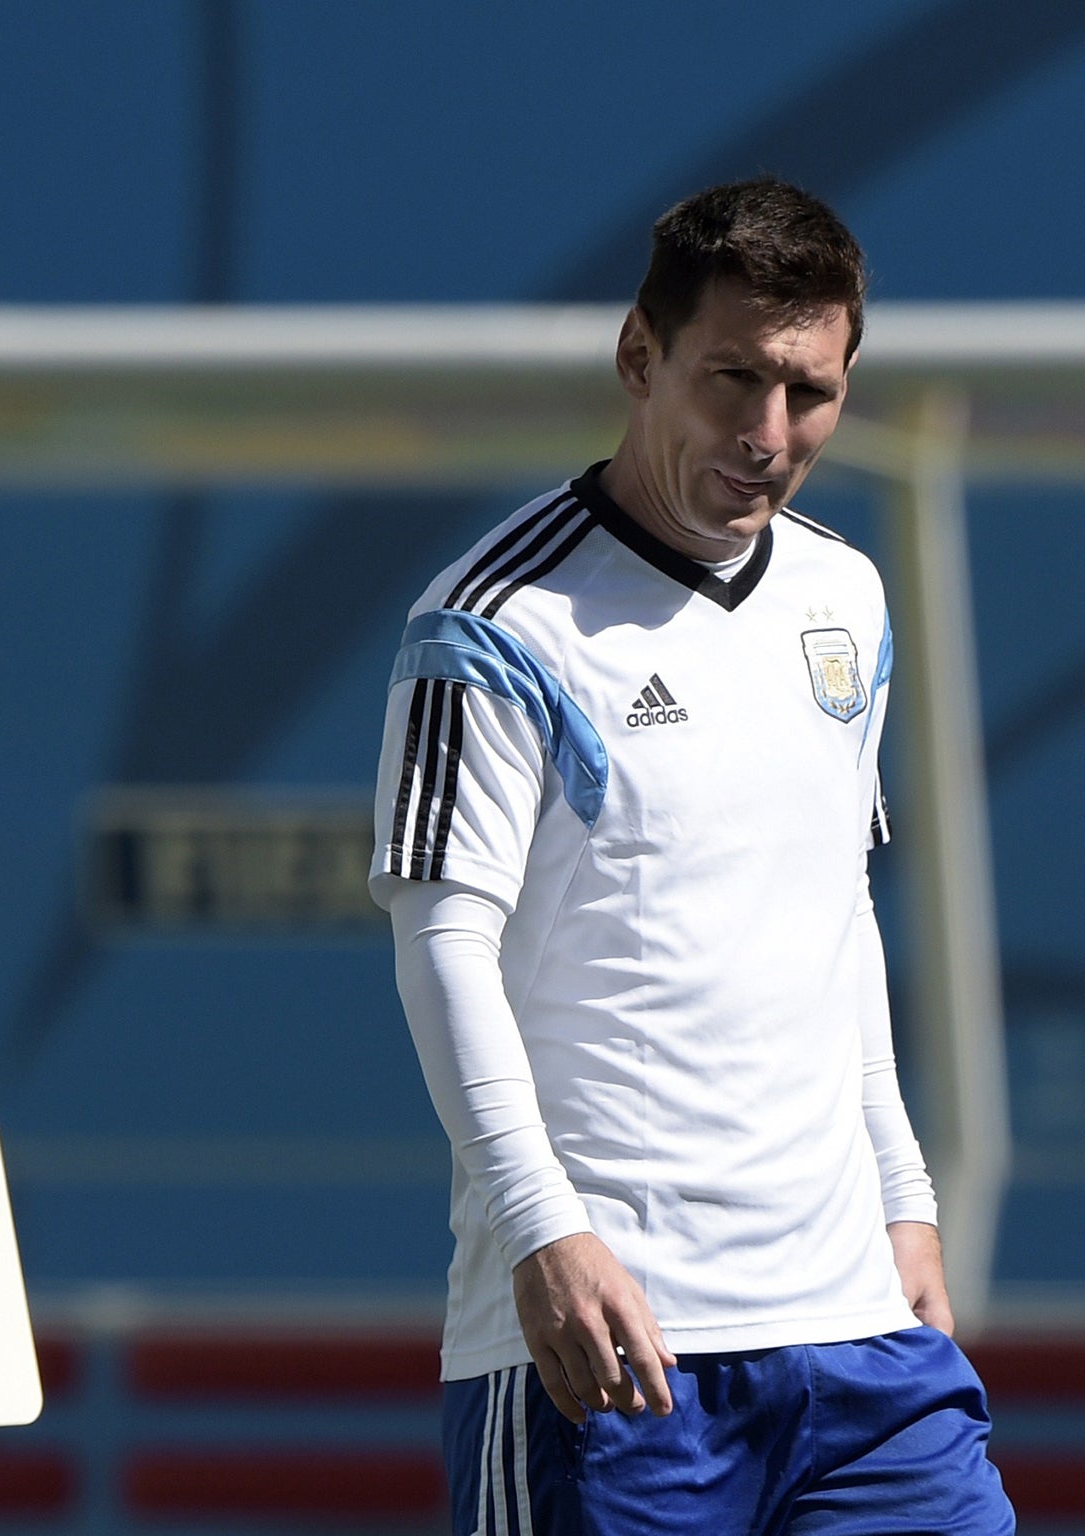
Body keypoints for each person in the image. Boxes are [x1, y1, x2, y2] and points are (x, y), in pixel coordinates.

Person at [370, 178, 1014, 1534]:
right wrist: (546, 1230)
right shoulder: (494, 623)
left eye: (812, 391)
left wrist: (903, 1199)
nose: (770, 433)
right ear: (638, 357)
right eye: (733, 378)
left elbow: (836, 910)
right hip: (616, 1358)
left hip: (861, 1342)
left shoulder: (847, 591)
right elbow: (444, 945)